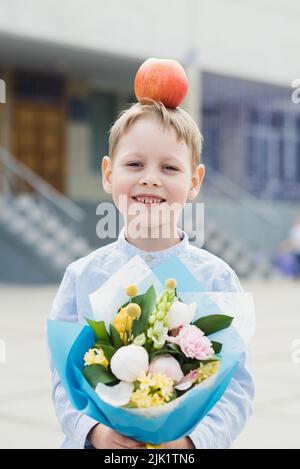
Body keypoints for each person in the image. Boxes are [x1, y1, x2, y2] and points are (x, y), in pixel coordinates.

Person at [49, 98, 255, 449]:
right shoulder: (82, 276)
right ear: (108, 174)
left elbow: (235, 388)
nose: (150, 179)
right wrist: (94, 432)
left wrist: (194, 441)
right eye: (134, 164)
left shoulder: (215, 279)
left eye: (170, 168)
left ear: (195, 181)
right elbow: (62, 380)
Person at [279, 215, 300, 279]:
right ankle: (296, 276)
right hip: (296, 250)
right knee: (296, 263)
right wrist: (284, 245)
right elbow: (291, 239)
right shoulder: (294, 229)